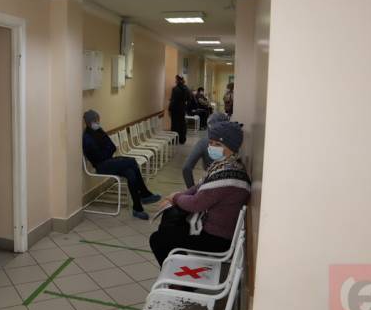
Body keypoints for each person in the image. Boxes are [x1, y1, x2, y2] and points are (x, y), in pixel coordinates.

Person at [149, 121, 250, 266]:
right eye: (211, 143)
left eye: (218, 144)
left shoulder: (226, 176)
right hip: (214, 230)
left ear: (231, 147)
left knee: (158, 239)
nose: (212, 147)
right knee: (169, 225)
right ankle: (177, 267)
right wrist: (178, 195)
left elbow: (195, 204)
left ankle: (178, 274)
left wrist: (176, 197)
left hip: (216, 239)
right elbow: (200, 186)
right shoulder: (228, 166)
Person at [82, 110, 161, 220]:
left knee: (131, 173)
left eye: (98, 120)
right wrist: (106, 150)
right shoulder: (87, 138)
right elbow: (100, 157)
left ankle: (137, 209)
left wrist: (106, 150)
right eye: (95, 121)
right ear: (89, 122)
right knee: (132, 161)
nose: (98, 122)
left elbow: (112, 147)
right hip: (101, 166)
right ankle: (144, 194)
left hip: (109, 162)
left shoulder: (99, 131)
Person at [181, 112, 230, 188]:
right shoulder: (233, 142)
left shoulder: (204, 143)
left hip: (210, 184)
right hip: (230, 184)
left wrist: (191, 189)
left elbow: (186, 168)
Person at [168, 75, 190, 144]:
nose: (175, 81)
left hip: (175, 109)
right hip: (182, 109)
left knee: (175, 125)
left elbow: (173, 100)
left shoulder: (175, 89)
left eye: (176, 79)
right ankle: (182, 139)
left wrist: (169, 109)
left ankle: (174, 140)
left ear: (177, 80)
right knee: (182, 124)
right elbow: (189, 98)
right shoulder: (186, 89)